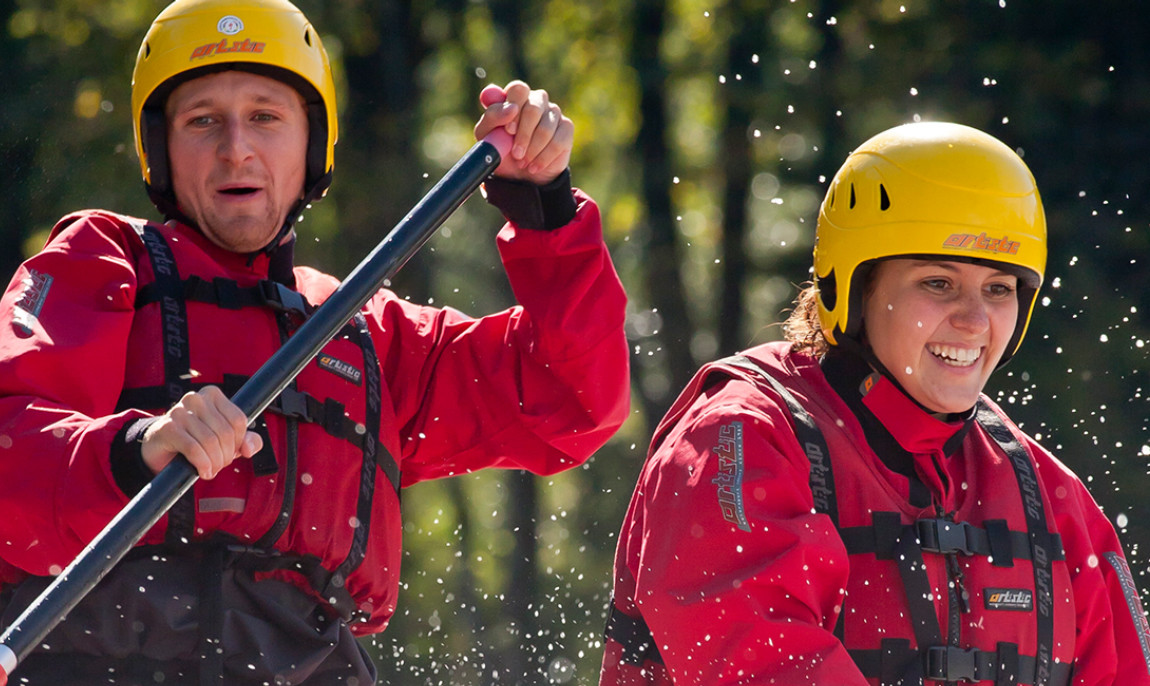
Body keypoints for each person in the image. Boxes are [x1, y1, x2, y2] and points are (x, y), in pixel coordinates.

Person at [0, 0, 629, 683]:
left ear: (311, 143)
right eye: (201, 120)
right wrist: (135, 448)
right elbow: (12, 451)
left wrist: (547, 210)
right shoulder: (104, 260)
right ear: (162, 148)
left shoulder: (370, 335)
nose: (235, 146)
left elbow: (573, 401)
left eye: (266, 117)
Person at [599, 122, 1150, 685]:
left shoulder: (1049, 497)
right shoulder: (736, 440)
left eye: (999, 289)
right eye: (938, 282)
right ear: (856, 291)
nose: (975, 321)